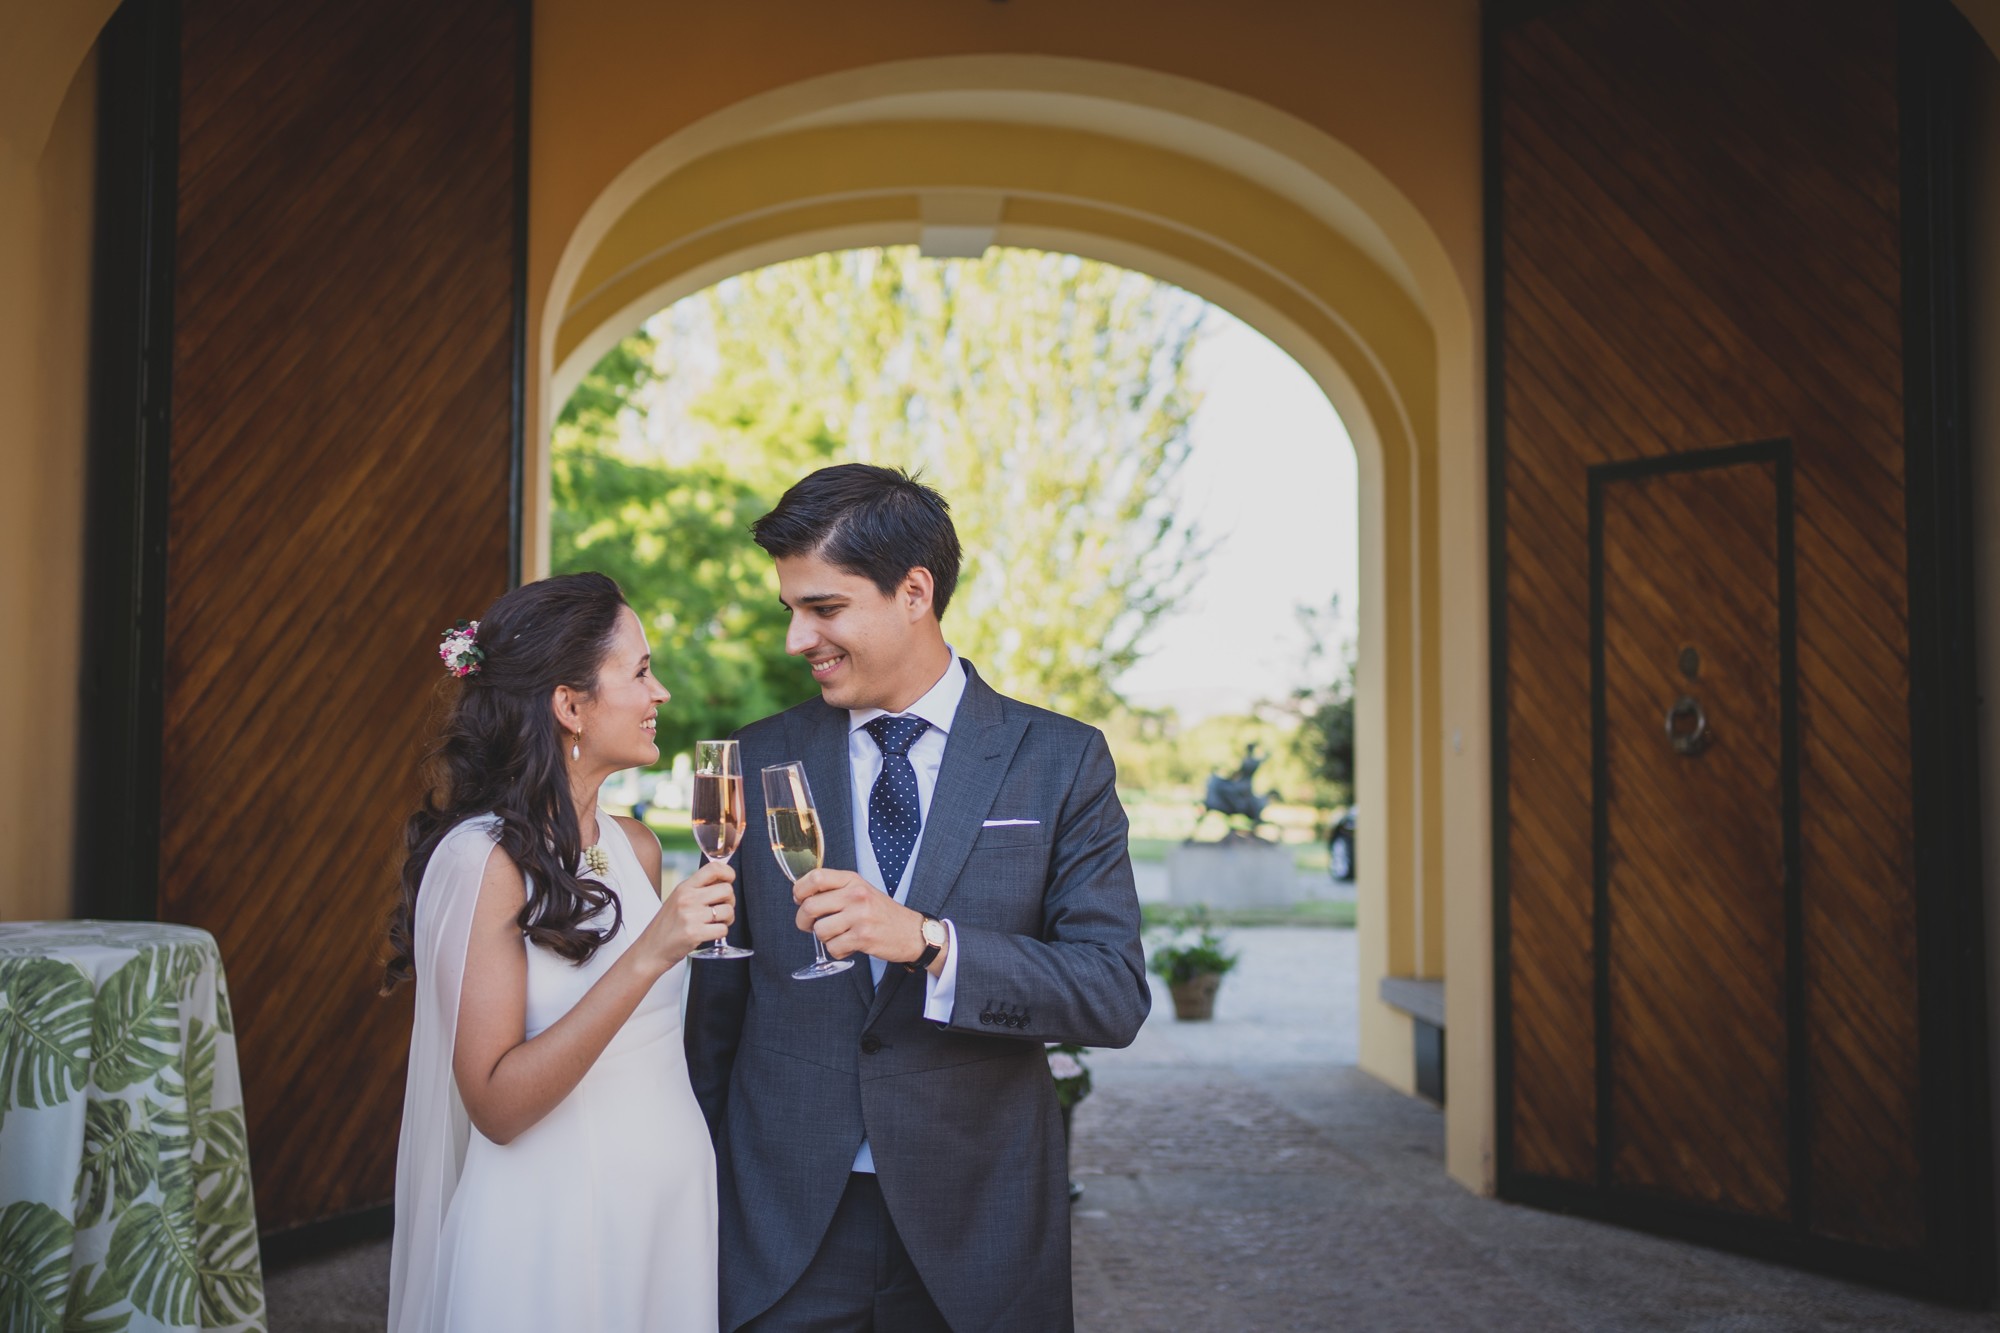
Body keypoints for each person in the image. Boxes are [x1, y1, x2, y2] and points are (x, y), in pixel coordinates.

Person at [686, 465, 1151, 1331]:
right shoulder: (753, 757)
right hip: (780, 1227)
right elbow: (715, 1013)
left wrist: (932, 941)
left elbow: (1111, 993)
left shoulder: (1060, 760)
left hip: (977, 1227)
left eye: (823, 609)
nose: (798, 639)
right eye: (790, 609)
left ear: (914, 591)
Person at [385, 572, 735, 1332]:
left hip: (665, 1210)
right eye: (640, 672)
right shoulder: (485, 863)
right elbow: (498, 1105)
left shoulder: (635, 847)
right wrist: (649, 953)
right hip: (552, 1223)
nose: (661, 693)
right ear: (570, 704)